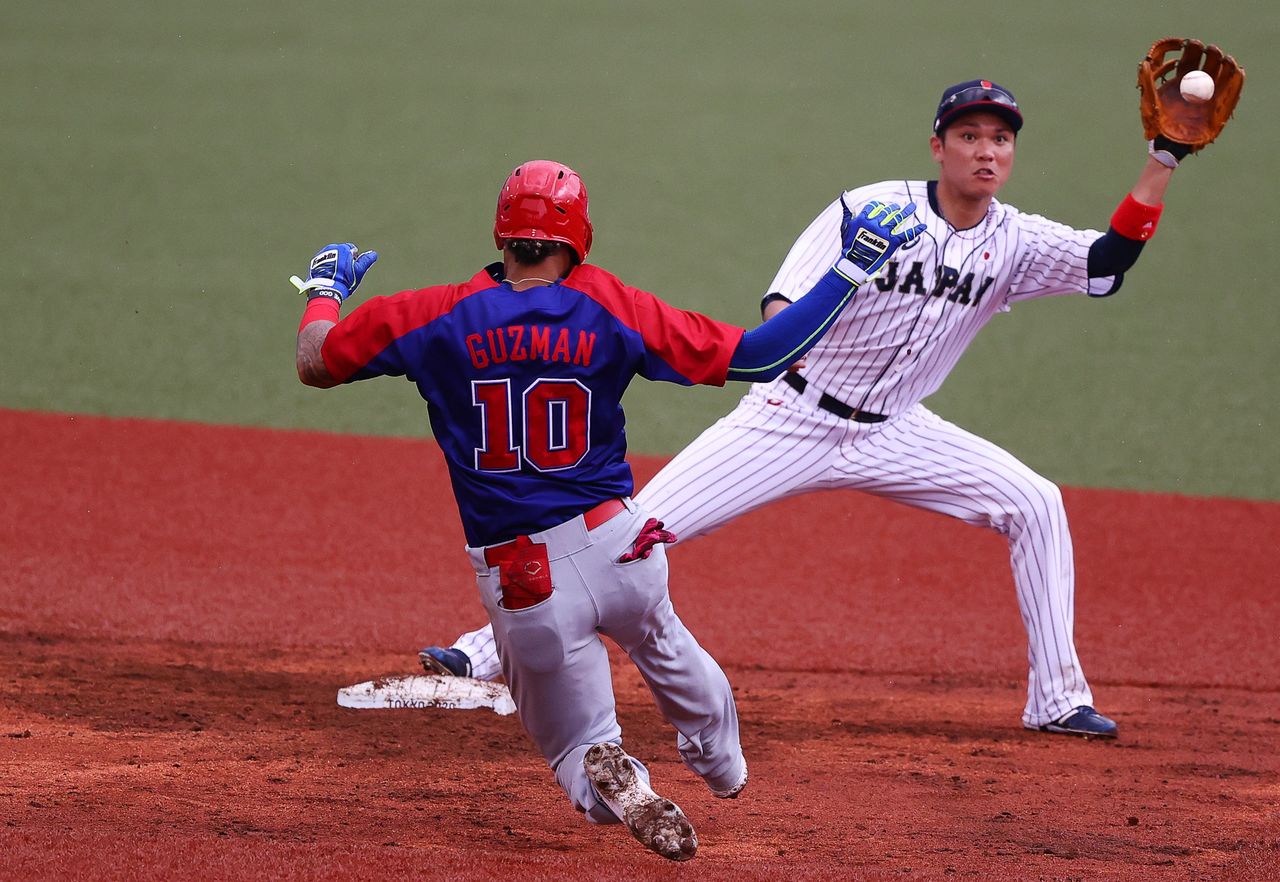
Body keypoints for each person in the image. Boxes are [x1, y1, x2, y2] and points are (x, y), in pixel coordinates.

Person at [419, 78, 1204, 740]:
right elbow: (778, 308)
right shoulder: (869, 210)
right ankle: (481, 654)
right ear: (939, 146)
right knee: (635, 535)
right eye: (969, 135)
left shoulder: (1016, 241)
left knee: (1036, 503)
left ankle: (1058, 700)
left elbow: (1107, 262)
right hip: (789, 418)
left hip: (899, 429)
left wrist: (1162, 160)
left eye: (1000, 138)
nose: (987, 150)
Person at [293, 159, 924, 860]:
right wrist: (848, 270)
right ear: (578, 235)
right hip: (620, 544)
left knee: (574, 748)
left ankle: (615, 774)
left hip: (525, 577)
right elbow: (761, 356)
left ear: (501, 232)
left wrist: (326, 289)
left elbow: (315, 360)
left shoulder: (429, 315)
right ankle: (724, 764)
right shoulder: (608, 304)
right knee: (664, 641)